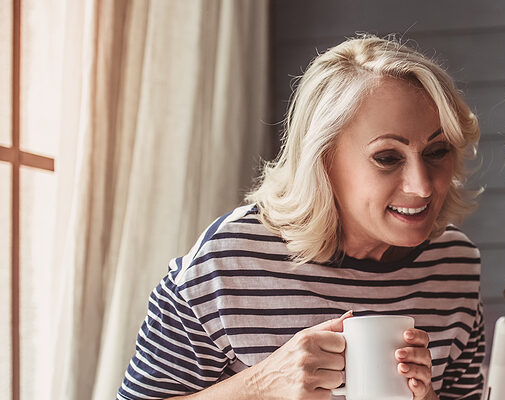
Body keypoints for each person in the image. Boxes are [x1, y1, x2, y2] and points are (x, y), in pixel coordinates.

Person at [118, 35, 484, 400]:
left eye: (437, 151)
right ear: (323, 160)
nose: (422, 186)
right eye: (387, 157)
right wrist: (261, 385)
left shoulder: (453, 265)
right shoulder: (227, 261)